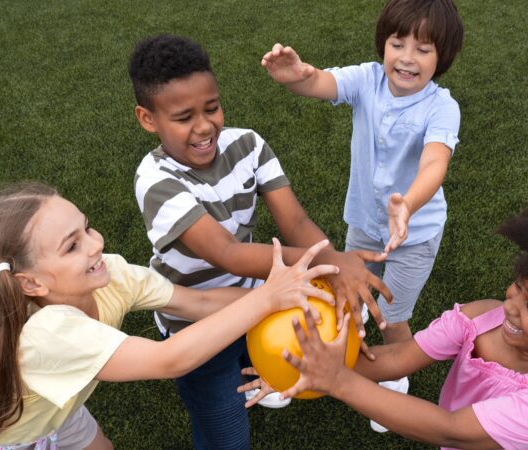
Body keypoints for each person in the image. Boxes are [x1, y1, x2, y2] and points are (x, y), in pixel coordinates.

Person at [254, 188, 528, 449]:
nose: (511, 304)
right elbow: (398, 358)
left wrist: (338, 381)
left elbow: (451, 430)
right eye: (518, 285)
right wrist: (309, 367)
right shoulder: (483, 317)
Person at [128, 35, 392, 448]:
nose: (204, 126)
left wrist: (329, 261)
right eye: (183, 117)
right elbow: (228, 254)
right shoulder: (155, 181)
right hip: (197, 325)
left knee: (269, 363)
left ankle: (252, 363)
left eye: (211, 108)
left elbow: (296, 220)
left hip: (260, 303)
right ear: (148, 119)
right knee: (227, 438)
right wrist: (329, 263)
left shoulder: (248, 145)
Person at [0, 182, 337, 449]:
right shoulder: (50, 334)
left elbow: (198, 304)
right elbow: (170, 359)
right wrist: (266, 298)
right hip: (0, 439)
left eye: (87, 229)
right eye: (72, 246)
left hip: (57, 409)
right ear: (31, 283)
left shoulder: (112, 275)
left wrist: (287, 295)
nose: (95, 245)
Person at [261, 0, 464, 420]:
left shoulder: (442, 107)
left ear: (442, 57)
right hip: (365, 224)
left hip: (415, 234)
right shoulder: (367, 79)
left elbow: (434, 162)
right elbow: (320, 82)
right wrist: (296, 77)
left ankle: (394, 380)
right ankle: (309, 360)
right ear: (383, 45)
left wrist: (407, 205)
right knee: (344, 291)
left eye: (423, 49)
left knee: (392, 317)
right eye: (397, 44)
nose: (407, 58)